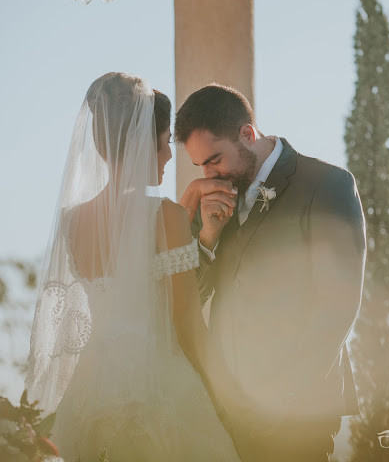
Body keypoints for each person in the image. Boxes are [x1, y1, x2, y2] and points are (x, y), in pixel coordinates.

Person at [24, 72, 241, 462]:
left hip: (91, 392)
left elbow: (126, 263)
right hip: (160, 388)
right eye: (163, 145)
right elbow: (188, 325)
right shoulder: (166, 217)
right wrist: (227, 397)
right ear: (144, 143)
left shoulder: (73, 222)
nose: (170, 156)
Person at [175, 83, 367, 462]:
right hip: (227, 410)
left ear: (247, 133)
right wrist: (208, 238)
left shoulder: (326, 185)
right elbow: (190, 297)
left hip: (296, 415)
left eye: (214, 159)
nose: (210, 174)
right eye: (201, 166)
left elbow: (339, 303)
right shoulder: (212, 199)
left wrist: (287, 395)